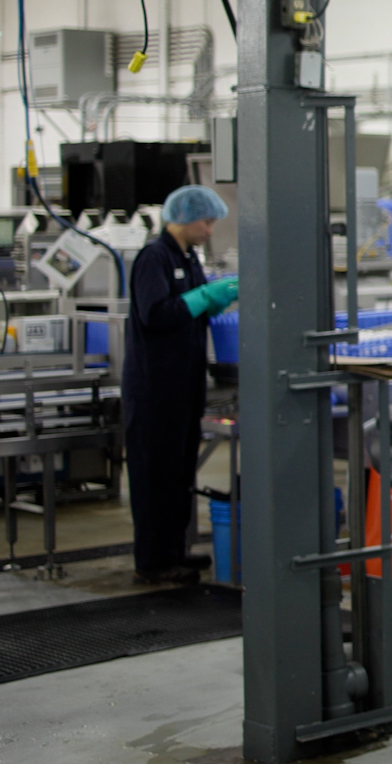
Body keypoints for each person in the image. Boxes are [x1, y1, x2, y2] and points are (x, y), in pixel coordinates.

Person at [125, 185, 238, 585]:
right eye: (206, 222)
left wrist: (214, 300)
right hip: (154, 388)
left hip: (184, 382)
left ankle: (174, 551)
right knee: (155, 474)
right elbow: (155, 313)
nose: (210, 230)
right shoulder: (153, 258)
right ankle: (153, 561)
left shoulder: (188, 257)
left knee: (178, 472)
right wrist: (202, 296)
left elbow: (191, 307)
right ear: (184, 218)